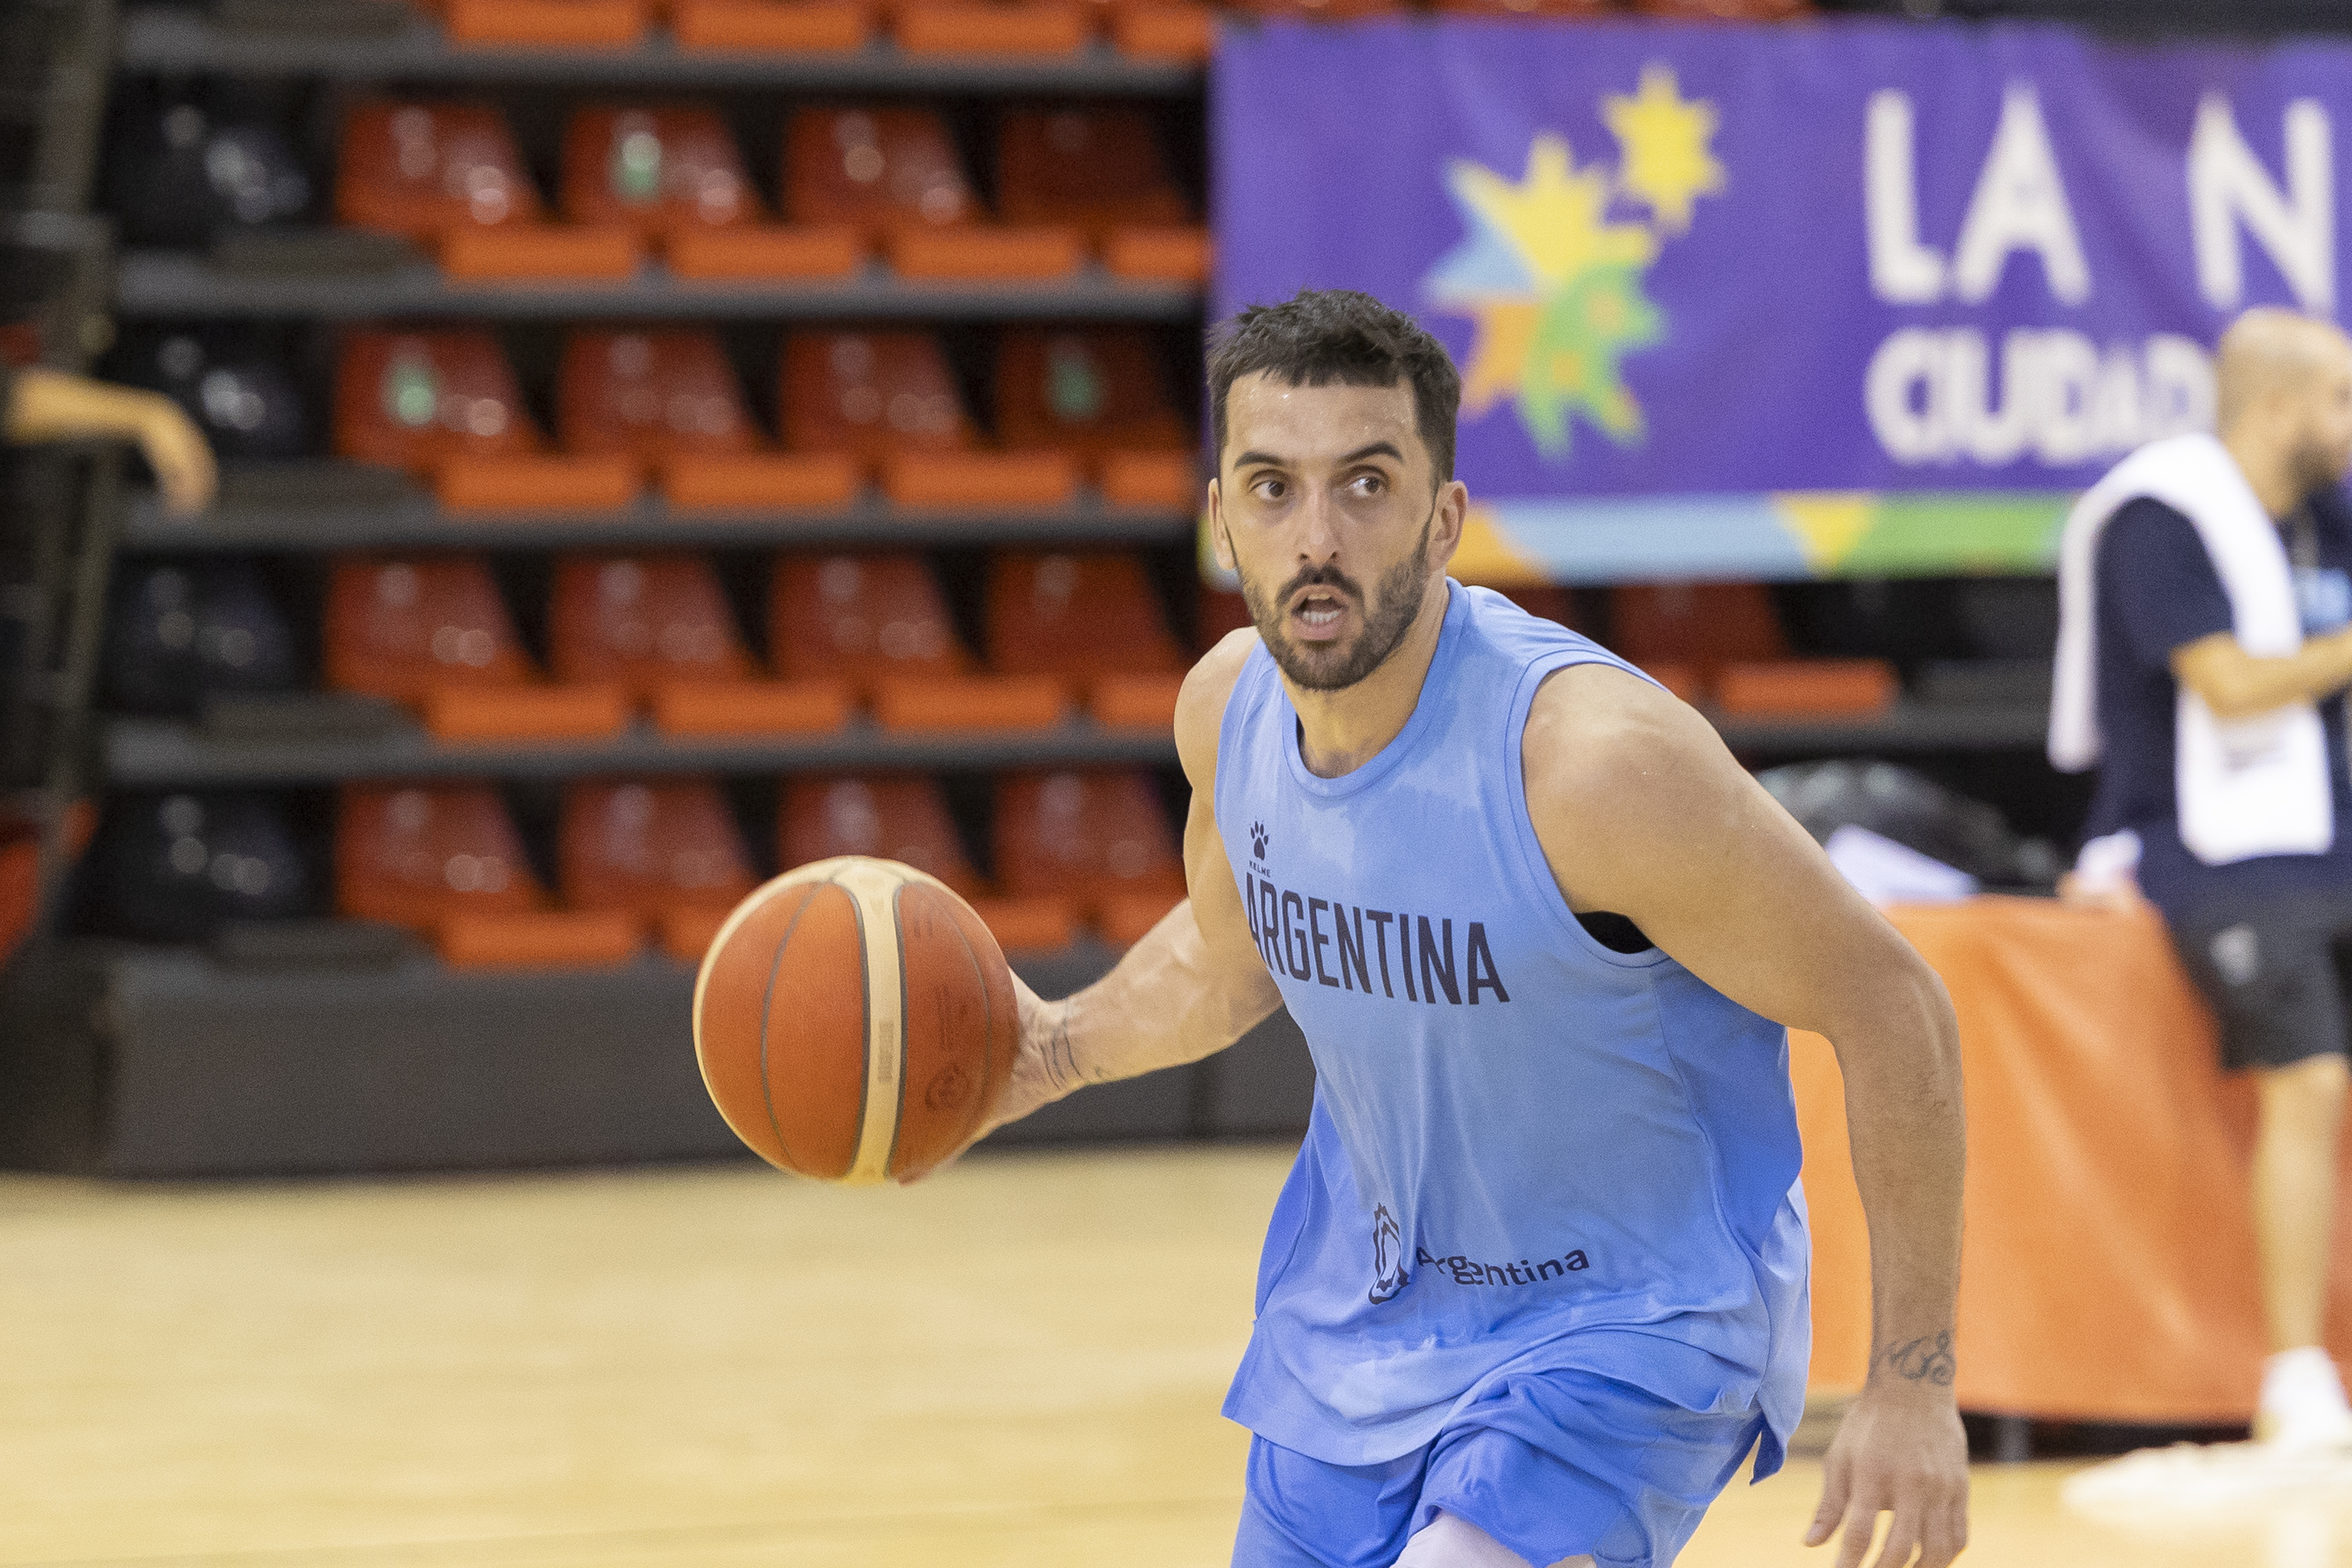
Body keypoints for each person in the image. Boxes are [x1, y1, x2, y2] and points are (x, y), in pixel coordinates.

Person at [961, 289, 1969, 1568]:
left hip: (1631, 1322)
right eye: (1271, 487)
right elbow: (1224, 956)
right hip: (1362, 1326)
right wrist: (1042, 1052)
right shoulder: (1225, 711)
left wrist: (1910, 1381)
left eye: (1364, 484)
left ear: (1444, 519)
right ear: (1220, 517)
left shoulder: (1593, 766)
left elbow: (1894, 1005)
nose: (1315, 536)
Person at [2050, 306, 2352, 1452]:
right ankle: (2290, 1368)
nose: (2346, 422)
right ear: (2277, 407)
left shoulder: (2319, 520)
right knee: (2308, 1074)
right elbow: (2226, 686)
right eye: (2336, 398)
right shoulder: (2159, 515)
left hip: (2325, 827)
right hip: (2205, 837)